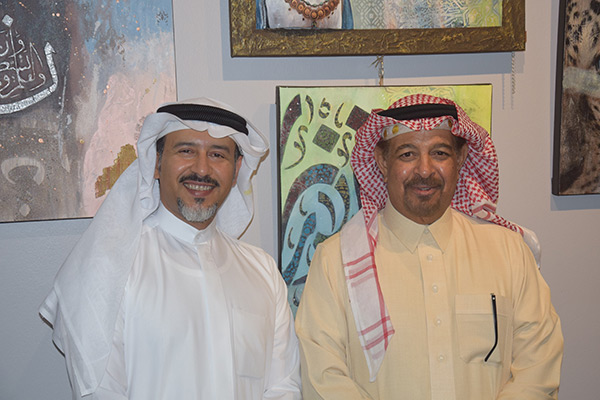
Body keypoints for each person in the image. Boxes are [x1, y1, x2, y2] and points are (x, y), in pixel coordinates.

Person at [295, 94, 563, 399]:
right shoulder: (335, 261)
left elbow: (538, 367)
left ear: (460, 159)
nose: (424, 170)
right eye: (407, 154)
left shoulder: (509, 252)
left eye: (439, 153)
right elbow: (324, 378)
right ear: (383, 162)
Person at [39, 98, 302, 400]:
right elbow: (100, 392)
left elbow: (284, 387)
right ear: (156, 163)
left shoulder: (263, 272)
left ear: (236, 170)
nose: (202, 169)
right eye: (186, 151)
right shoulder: (108, 269)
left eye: (217, 154)